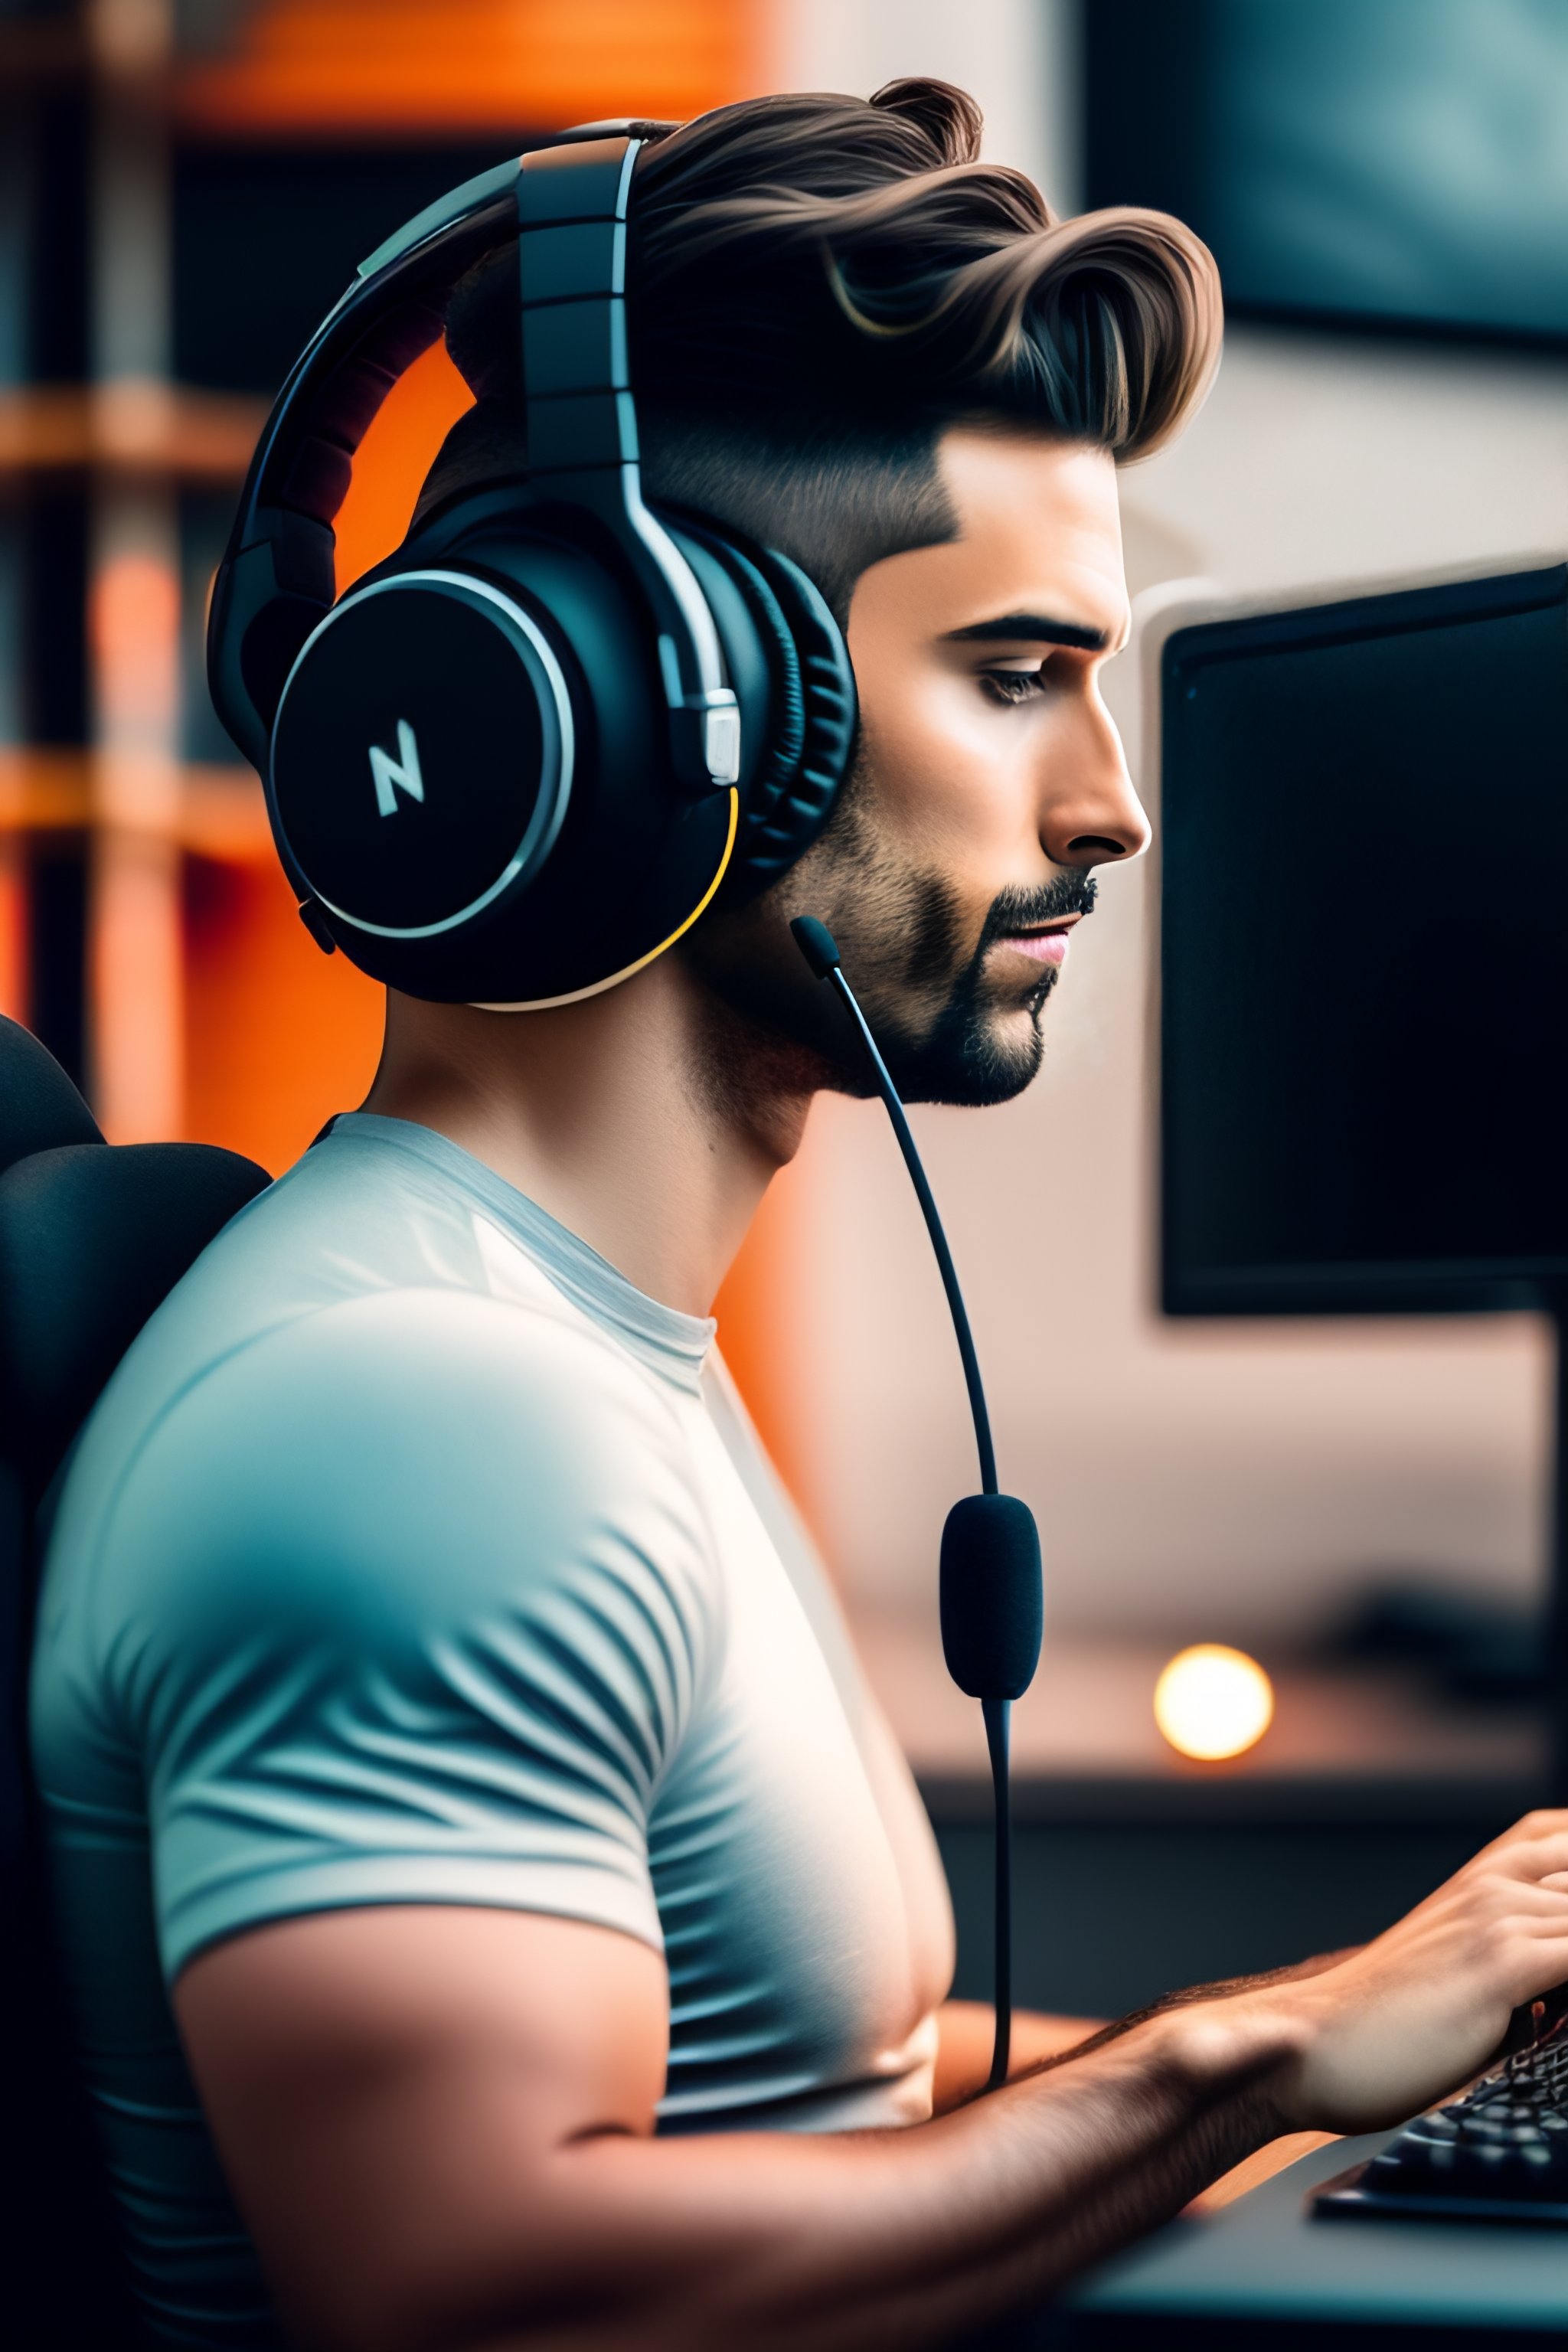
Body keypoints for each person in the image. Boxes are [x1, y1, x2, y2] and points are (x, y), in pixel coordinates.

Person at [31, 80, 1568, 2352]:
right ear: (658, 719)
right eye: (1018, 676)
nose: (1113, 807)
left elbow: (810, 2100)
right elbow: (475, 2297)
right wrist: (1245, 2060)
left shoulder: (573, 1351)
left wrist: (1370, 2039)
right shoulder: (416, 1417)